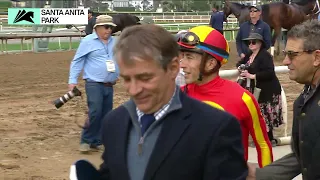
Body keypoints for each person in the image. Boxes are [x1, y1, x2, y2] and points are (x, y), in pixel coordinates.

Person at [96, 24, 248, 180]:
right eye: (127, 79)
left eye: (145, 78)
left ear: (173, 68)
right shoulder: (113, 123)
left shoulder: (217, 128)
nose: (134, 90)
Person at [177, 25, 273, 168]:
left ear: (210, 63)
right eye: (182, 56)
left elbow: (263, 145)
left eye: (189, 57)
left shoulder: (242, 99)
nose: (182, 64)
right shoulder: (176, 97)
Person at [247, 19, 320, 180]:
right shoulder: (303, 100)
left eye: (292, 55)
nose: (286, 61)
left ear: (316, 57)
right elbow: (302, 157)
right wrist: (256, 175)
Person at [68, 15, 119, 153]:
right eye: (106, 27)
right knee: (95, 111)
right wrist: (72, 81)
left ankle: (97, 141)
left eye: (111, 27)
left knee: (106, 114)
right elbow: (77, 61)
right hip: (93, 83)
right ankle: (86, 140)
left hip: (110, 84)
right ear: (97, 28)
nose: (109, 30)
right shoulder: (88, 41)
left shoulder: (115, 42)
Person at [236, 33, 283, 147]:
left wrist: (253, 76)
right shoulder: (249, 55)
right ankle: (265, 139)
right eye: (249, 42)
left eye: (253, 42)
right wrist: (240, 68)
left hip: (268, 90)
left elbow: (270, 72)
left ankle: (269, 139)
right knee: (261, 113)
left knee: (265, 114)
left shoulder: (265, 56)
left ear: (260, 43)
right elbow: (240, 63)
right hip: (258, 89)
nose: (250, 44)